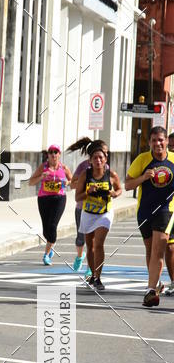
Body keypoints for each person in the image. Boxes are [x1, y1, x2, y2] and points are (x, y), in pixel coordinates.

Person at [125, 126, 174, 307]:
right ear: (150, 142)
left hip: (166, 211)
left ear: (167, 141)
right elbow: (128, 185)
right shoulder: (142, 159)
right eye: (154, 140)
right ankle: (155, 283)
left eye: (161, 140)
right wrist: (143, 178)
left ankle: (150, 290)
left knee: (157, 250)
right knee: (149, 250)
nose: (158, 143)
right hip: (145, 211)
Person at [74, 140, 122, 291]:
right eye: (95, 158)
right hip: (88, 213)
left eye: (101, 157)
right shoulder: (85, 175)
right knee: (90, 247)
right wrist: (88, 192)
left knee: (99, 244)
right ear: (90, 161)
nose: (98, 160)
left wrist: (114, 193)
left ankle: (98, 278)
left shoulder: (111, 175)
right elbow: (77, 197)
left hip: (104, 213)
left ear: (105, 159)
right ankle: (93, 275)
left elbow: (120, 189)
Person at [29, 144, 72, 265]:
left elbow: (73, 181)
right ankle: (51, 244)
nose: (53, 154)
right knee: (46, 230)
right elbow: (31, 182)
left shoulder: (64, 168)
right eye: (51, 152)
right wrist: (41, 177)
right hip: (44, 199)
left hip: (59, 198)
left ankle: (46, 255)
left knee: (52, 226)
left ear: (59, 154)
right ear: (48, 155)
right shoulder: (43, 167)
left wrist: (66, 182)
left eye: (56, 152)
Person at [67, 137, 92, 272]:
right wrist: (85, 185)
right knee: (81, 237)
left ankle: (90, 266)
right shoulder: (83, 166)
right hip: (82, 207)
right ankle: (79, 256)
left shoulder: (104, 167)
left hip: (98, 208)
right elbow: (72, 185)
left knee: (92, 240)